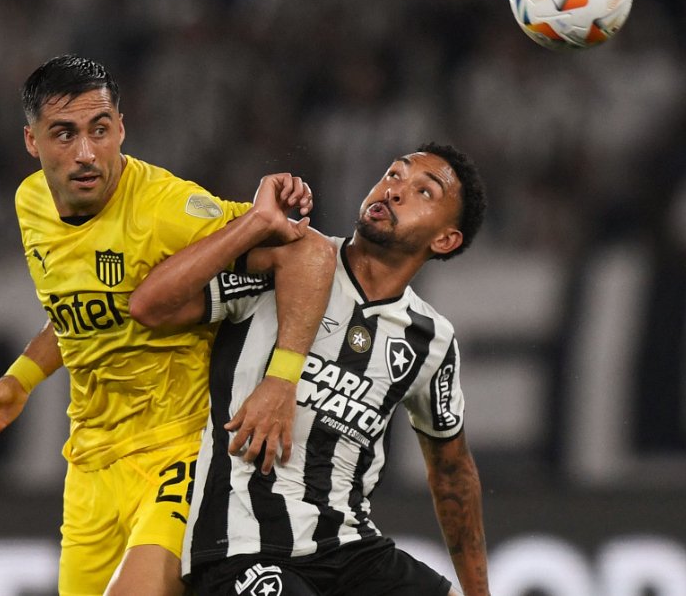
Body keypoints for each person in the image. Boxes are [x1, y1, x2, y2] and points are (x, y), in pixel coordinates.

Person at [0, 54, 335, 596]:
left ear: (121, 129)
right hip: (90, 466)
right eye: (64, 134)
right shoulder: (31, 201)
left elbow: (311, 252)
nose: (86, 153)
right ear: (31, 141)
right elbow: (82, 312)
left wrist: (281, 381)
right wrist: (21, 380)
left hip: (180, 452)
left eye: (99, 130)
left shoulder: (169, 209)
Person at [126, 143, 490, 596]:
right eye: (394, 173)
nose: (394, 190)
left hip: (352, 550)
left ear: (445, 240)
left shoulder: (431, 340)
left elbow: (453, 472)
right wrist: (253, 225)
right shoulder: (292, 259)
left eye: (424, 191)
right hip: (245, 545)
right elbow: (151, 306)